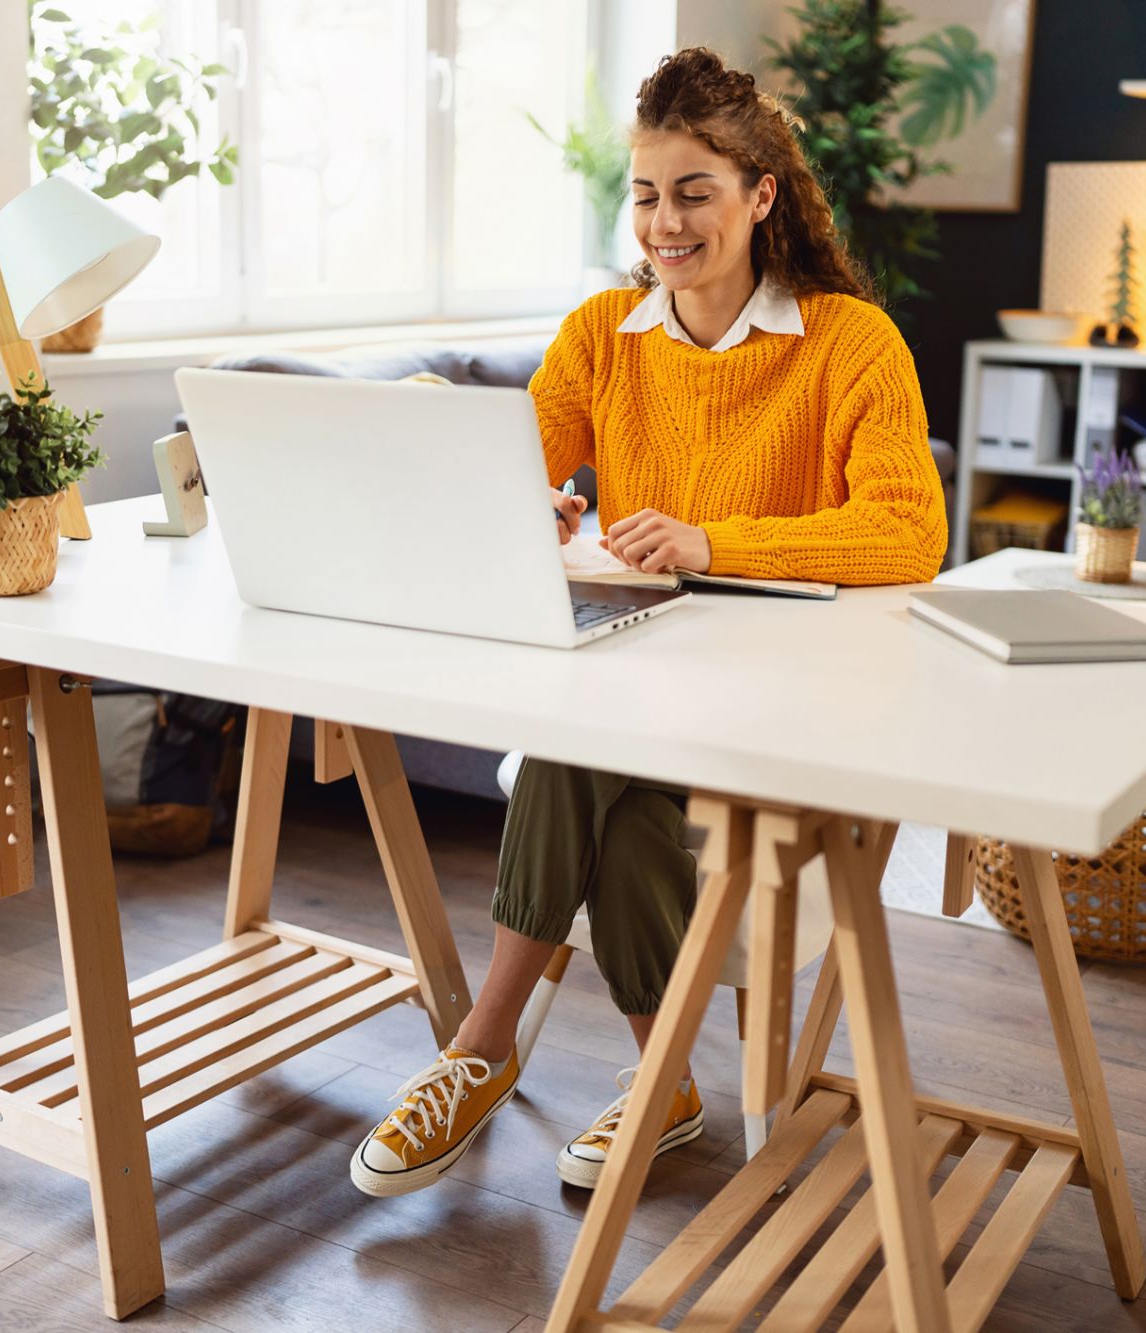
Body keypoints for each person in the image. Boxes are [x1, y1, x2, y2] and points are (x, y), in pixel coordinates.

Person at [349, 46, 946, 1199]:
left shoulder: (849, 343)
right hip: (650, 692)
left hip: (791, 708)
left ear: (759, 196)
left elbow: (906, 529)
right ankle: (664, 1083)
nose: (662, 224)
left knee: (581, 739)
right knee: (615, 796)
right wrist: (530, 504)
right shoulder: (598, 337)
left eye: (692, 193)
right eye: (644, 194)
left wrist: (711, 541)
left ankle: (477, 1047)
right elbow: (503, 475)